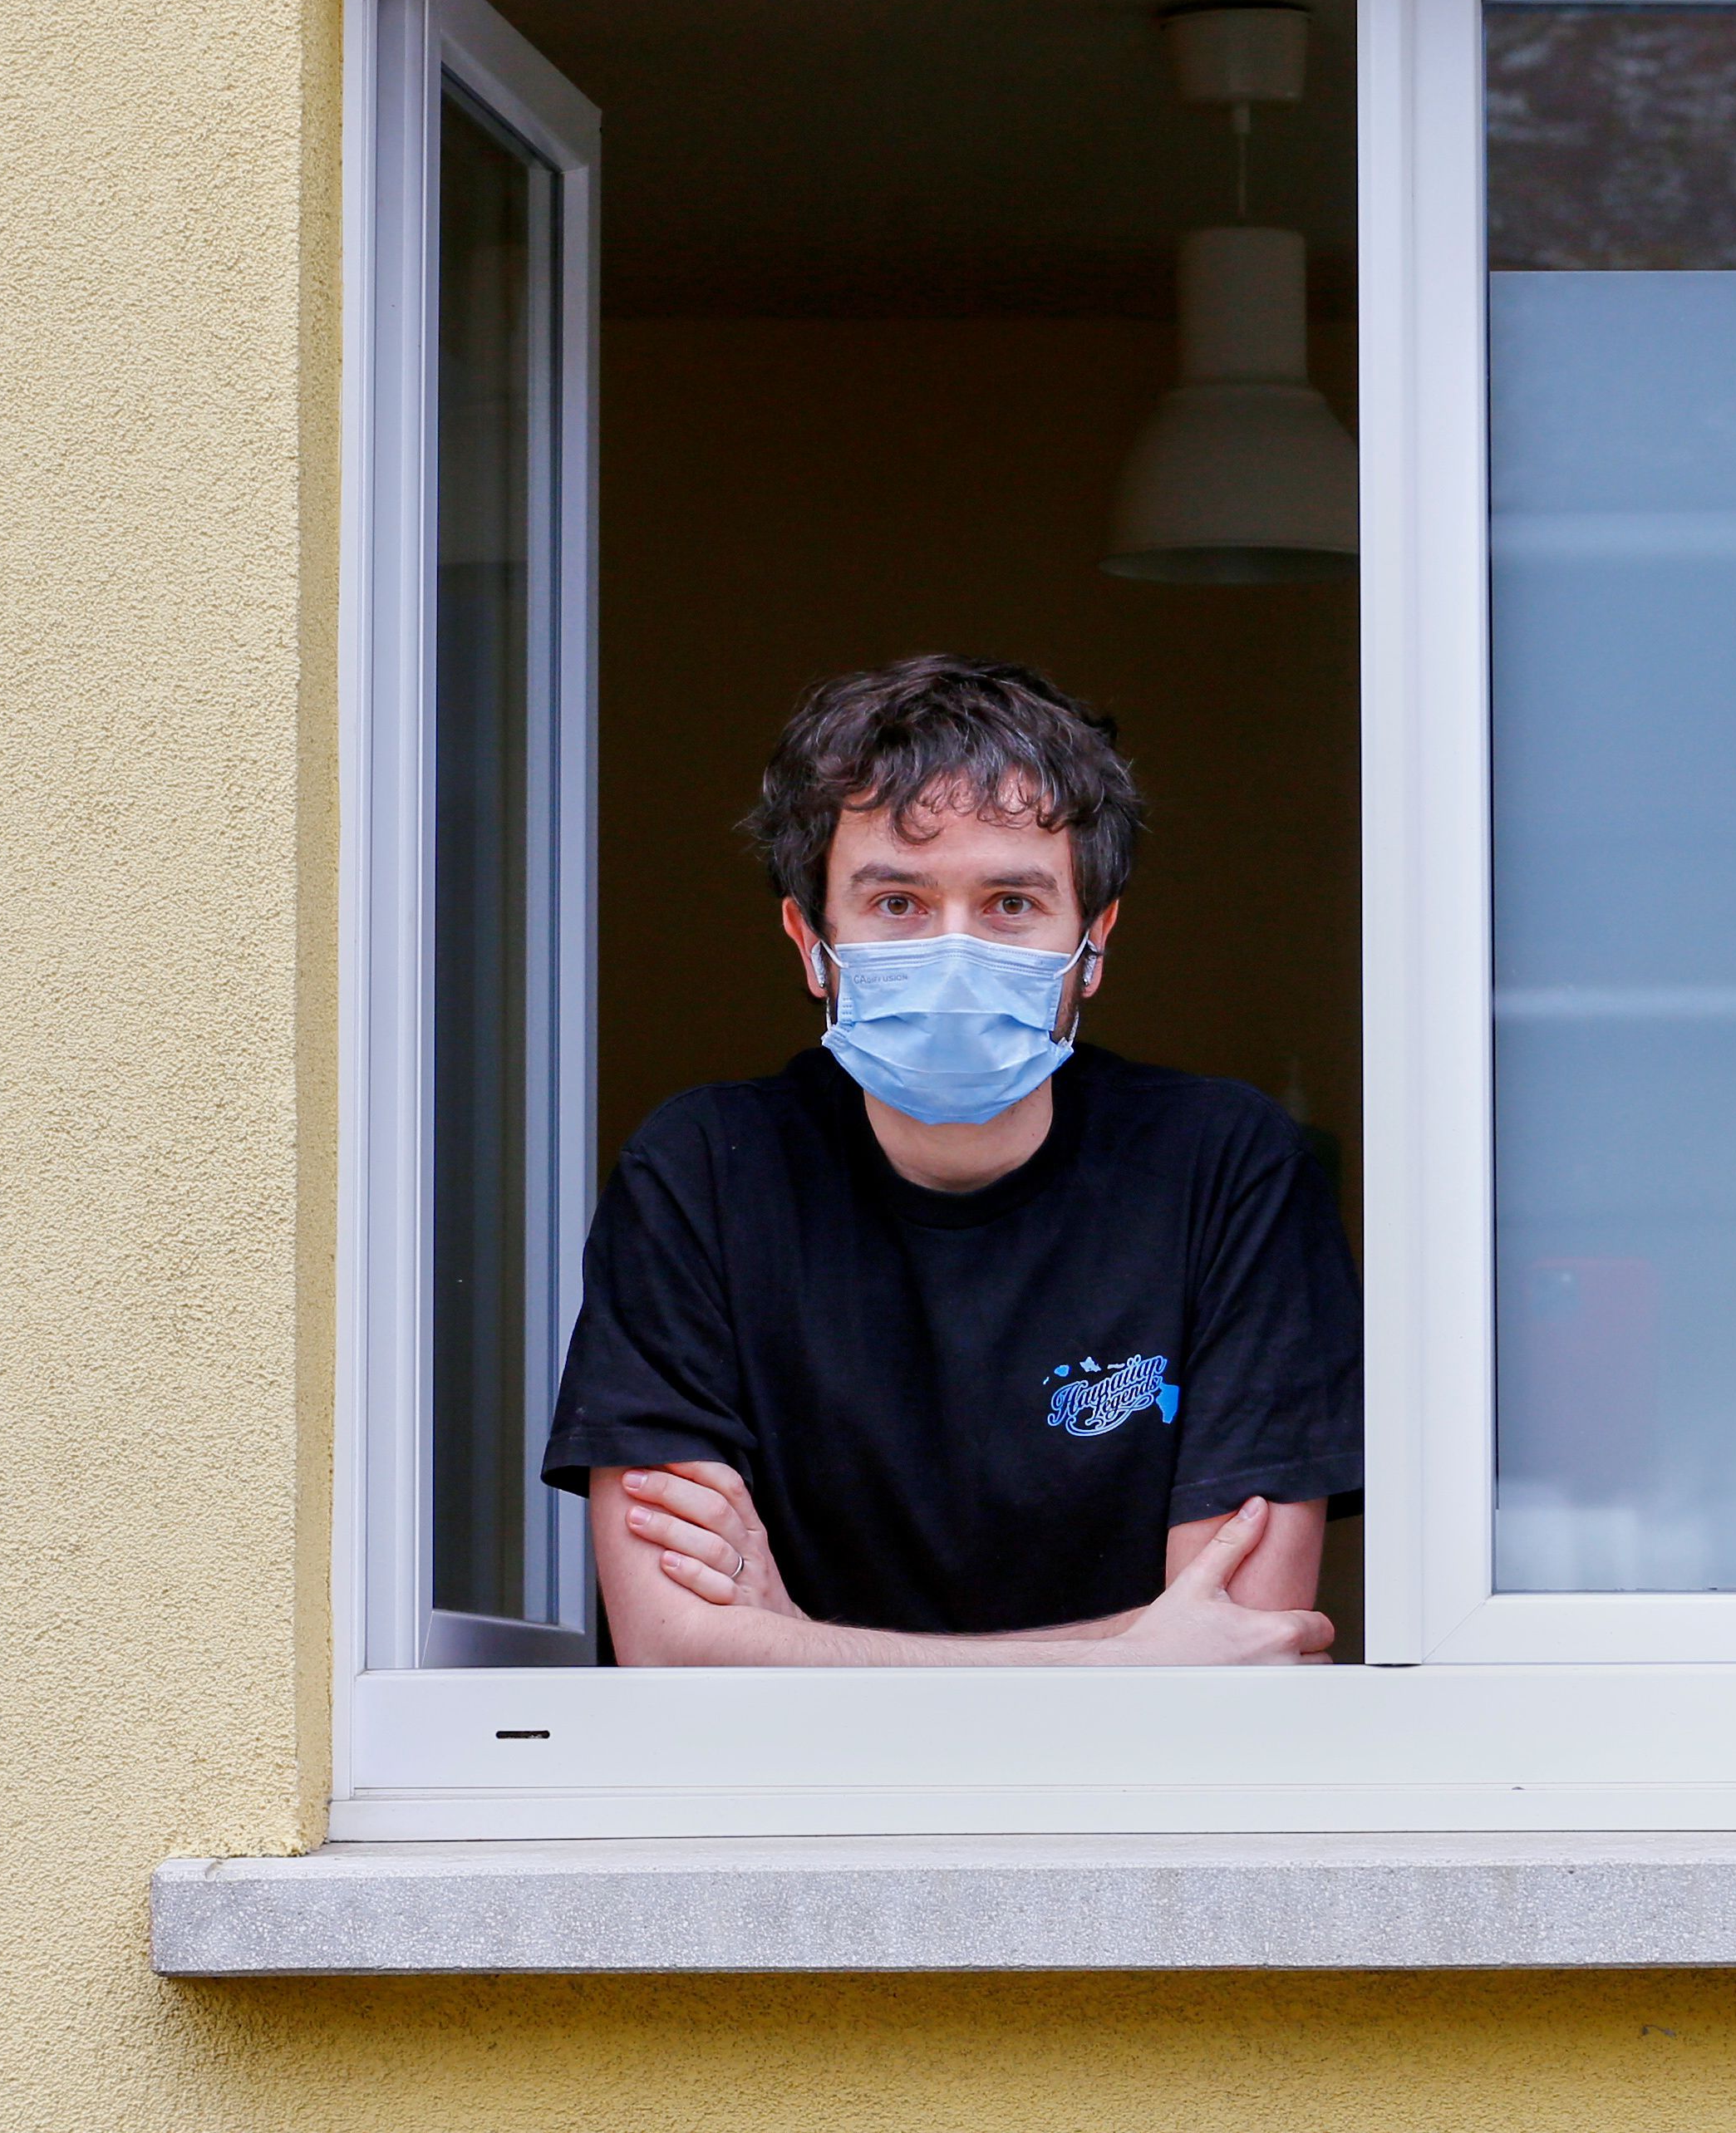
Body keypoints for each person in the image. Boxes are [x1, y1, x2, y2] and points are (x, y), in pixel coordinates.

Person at [540, 656, 1359, 1664]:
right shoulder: (704, 1170)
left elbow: (1247, 1647)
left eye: (1011, 902)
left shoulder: (1226, 1167)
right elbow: (671, 1652)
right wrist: (1123, 1657)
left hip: (1133, 1815)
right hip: (783, 1814)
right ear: (810, 940)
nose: (955, 949)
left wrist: (792, 1643)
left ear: (1093, 943)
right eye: (897, 904)